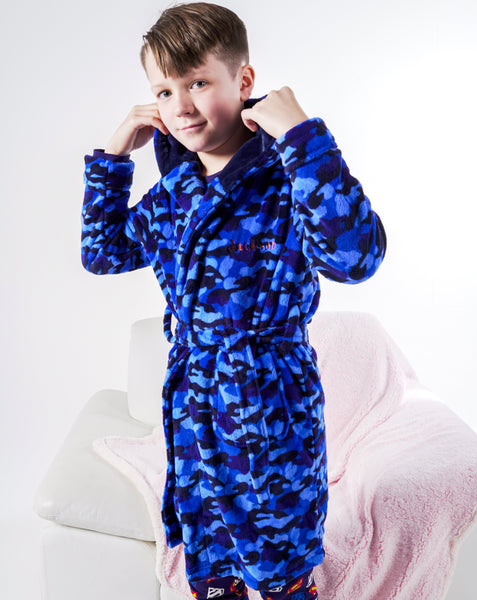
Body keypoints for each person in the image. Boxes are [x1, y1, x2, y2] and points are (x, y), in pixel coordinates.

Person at [81, 2, 387, 599]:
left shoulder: (289, 178)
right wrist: (114, 157)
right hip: (194, 405)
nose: (181, 106)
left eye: (198, 83)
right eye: (164, 91)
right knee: (211, 559)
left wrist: (303, 137)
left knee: (279, 557)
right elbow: (104, 252)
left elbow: (356, 258)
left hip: (271, 399)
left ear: (243, 81)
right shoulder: (176, 192)